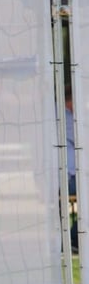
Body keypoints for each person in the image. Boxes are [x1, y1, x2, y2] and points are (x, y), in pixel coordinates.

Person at [66, 87, 78, 253]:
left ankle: (73, 239)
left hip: (72, 175)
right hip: (67, 176)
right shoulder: (63, 116)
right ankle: (73, 239)